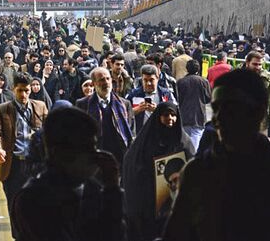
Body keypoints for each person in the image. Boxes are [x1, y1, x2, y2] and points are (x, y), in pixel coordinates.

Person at [164, 69, 270, 241]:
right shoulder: (197, 172)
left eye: (231, 109)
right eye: (216, 109)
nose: (219, 118)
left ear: (258, 113)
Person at [12, 106, 127, 241]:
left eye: (94, 147)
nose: (95, 155)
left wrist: (112, 188)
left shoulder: (92, 189)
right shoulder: (33, 199)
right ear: (59, 153)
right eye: (86, 148)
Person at [122, 102, 194, 241]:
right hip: (149, 203)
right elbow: (132, 166)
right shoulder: (145, 143)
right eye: (166, 115)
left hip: (175, 204)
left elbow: (192, 166)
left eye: (173, 115)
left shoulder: (184, 142)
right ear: (158, 117)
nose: (170, 118)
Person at [0, 72, 48, 238]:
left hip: (36, 165)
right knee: (15, 205)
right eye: (20, 90)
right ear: (13, 89)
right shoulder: (2, 110)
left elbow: (50, 132)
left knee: (36, 205)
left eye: (27, 91)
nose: (23, 95)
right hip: (13, 166)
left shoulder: (40, 107)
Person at [76, 67, 133, 171]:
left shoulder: (124, 104)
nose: (106, 82)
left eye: (108, 79)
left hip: (119, 158)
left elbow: (130, 131)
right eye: (101, 80)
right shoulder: (83, 104)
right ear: (93, 84)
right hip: (95, 158)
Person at [127, 64, 177, 134]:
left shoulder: (166, 94)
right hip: (140, 134)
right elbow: (124, 114)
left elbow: (175, 112)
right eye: (145, 80)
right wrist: (137, 109)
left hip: (160, 133)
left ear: (157, 78)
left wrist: (157, 110)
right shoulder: (133, 94)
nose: (148, 83)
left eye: (151, 80)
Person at [176, 60, 211, 150]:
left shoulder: (181, 82)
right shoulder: (204, 81)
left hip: (184, 115)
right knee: (196, 141)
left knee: (184, 141)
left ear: (187, 69)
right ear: (198, 69)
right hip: (199, 116)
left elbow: (177, 98)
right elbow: (208, 99)